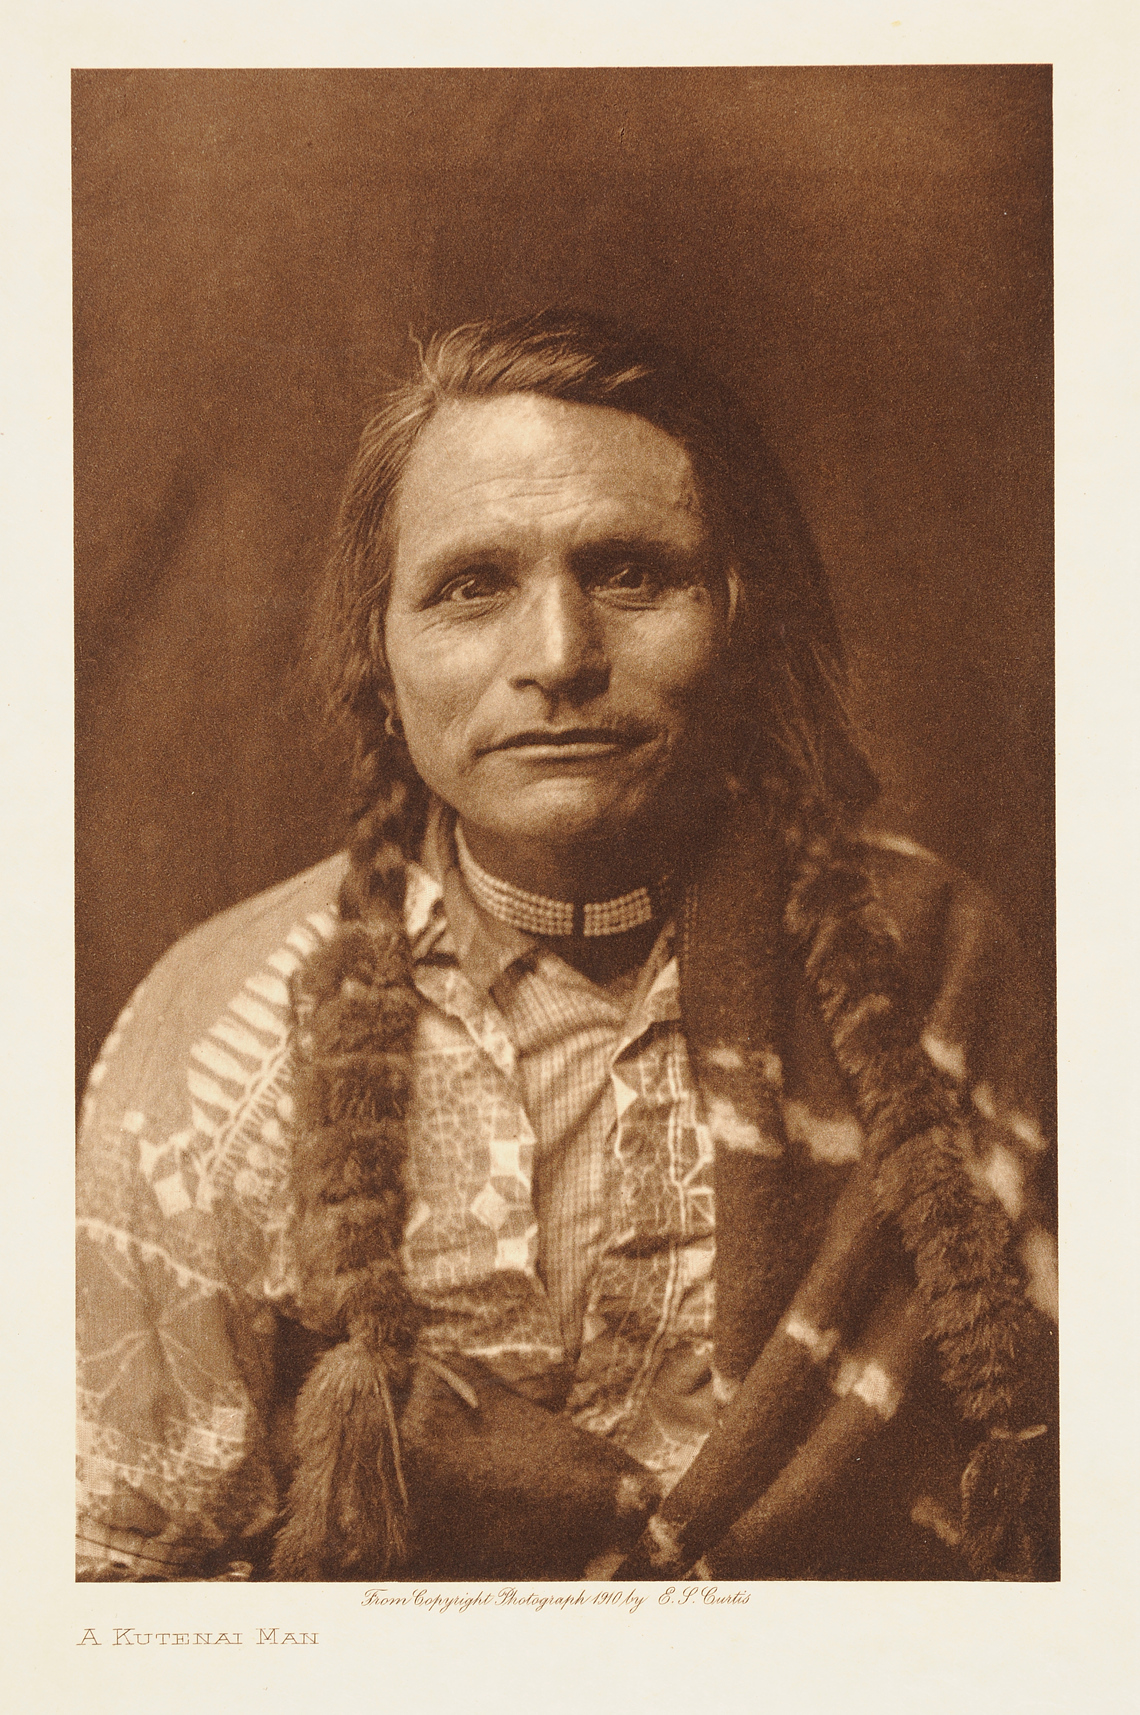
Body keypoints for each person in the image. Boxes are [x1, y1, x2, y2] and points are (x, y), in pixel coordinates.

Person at [77, 310, 1057, 1583]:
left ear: (739, 614)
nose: (558, 658)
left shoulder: (931, 966)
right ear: (382, 654)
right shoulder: (218, 1037)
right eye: (471, 586)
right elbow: (113, 1584)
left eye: (632, 574)